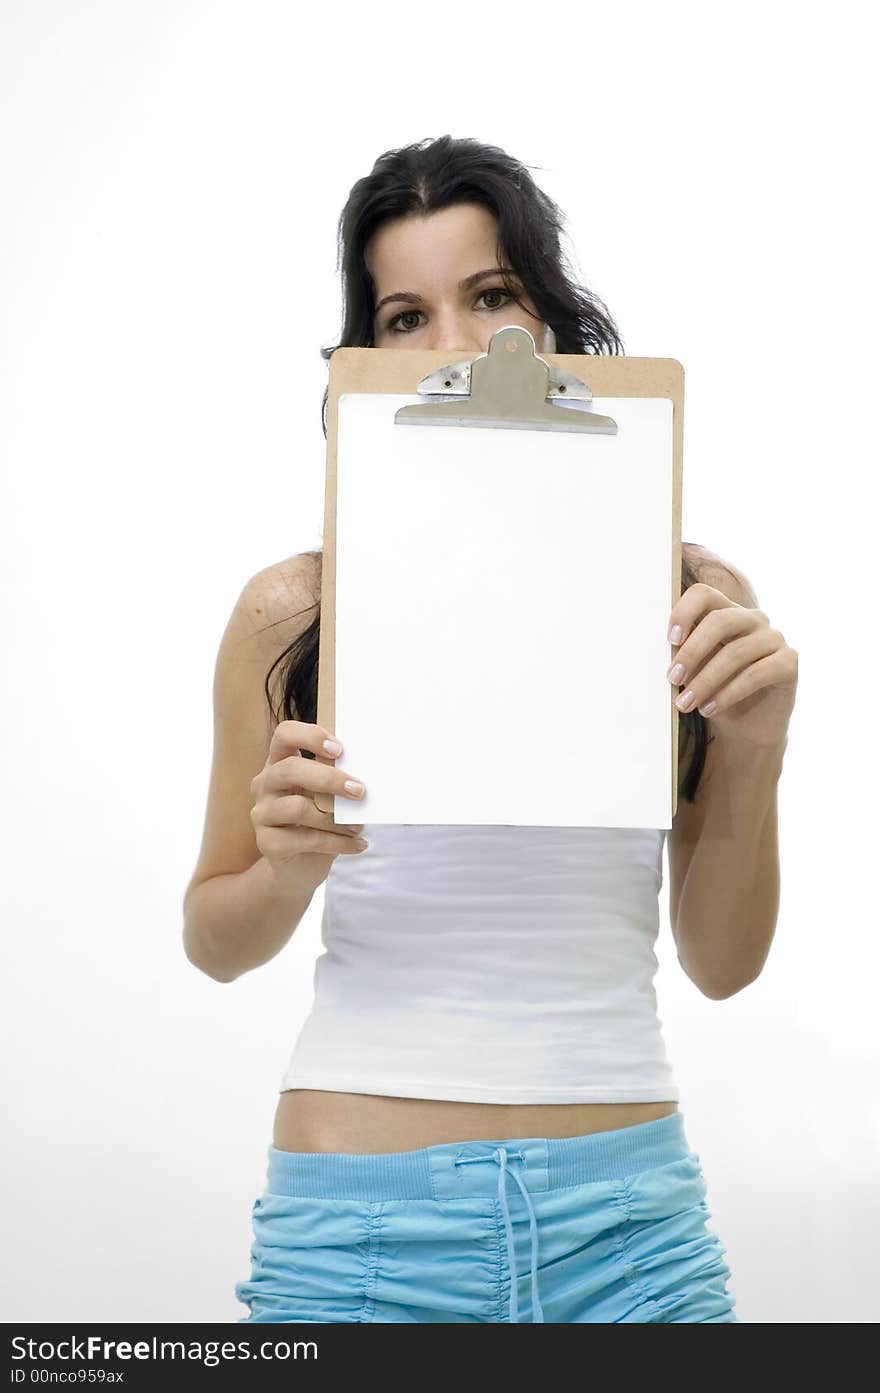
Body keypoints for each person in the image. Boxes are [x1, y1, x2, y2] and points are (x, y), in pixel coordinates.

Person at [183, 135, 796, 1324]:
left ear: (552, 323)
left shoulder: (692, 600)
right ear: (363, 355)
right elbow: (213, 939)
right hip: (361, 1236)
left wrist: (758, 748)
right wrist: (286, 866)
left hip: (630, 1230)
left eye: (492, 295)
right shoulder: (293, 611)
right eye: (404, 316)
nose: (455, 347)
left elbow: (723, 965)